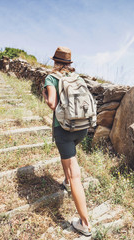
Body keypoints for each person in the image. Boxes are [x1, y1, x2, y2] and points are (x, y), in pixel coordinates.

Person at [42, 46, 92, 236]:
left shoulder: (51, 78)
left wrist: (46, 95)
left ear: (55, 61)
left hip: (63, 129)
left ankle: (85, 224)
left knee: (75, 175)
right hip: (82, 128)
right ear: (69, 63)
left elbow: (52, 104)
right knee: (68, 157)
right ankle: (66, 181)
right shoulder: (77, 78)